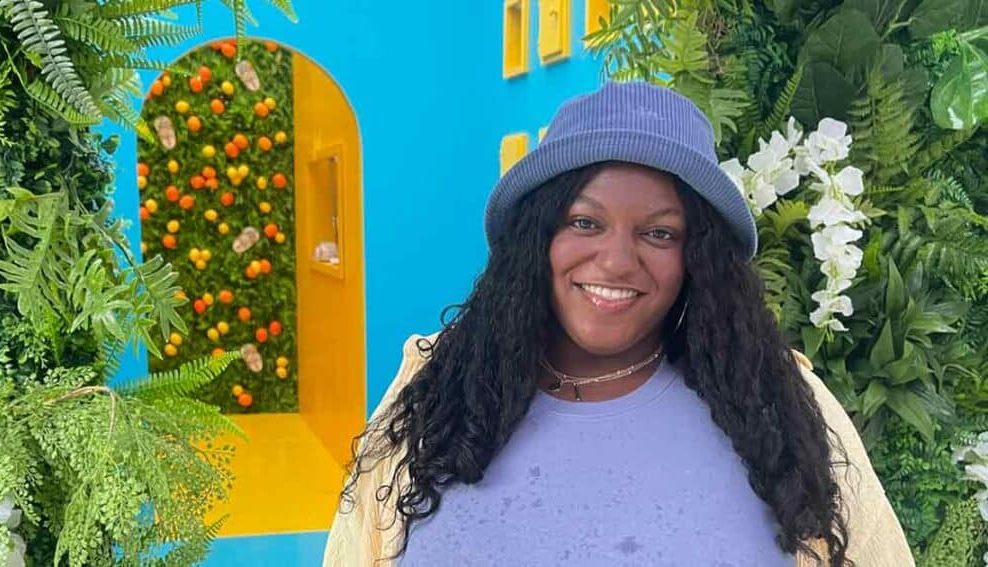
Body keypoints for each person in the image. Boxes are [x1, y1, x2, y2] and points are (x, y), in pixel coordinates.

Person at [322, 82, 913, 566]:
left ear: (697, 257)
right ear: (537, 236)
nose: (616, 261)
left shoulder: (781, 404)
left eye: (659, 233)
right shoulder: (436, 389)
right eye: (584, 222)